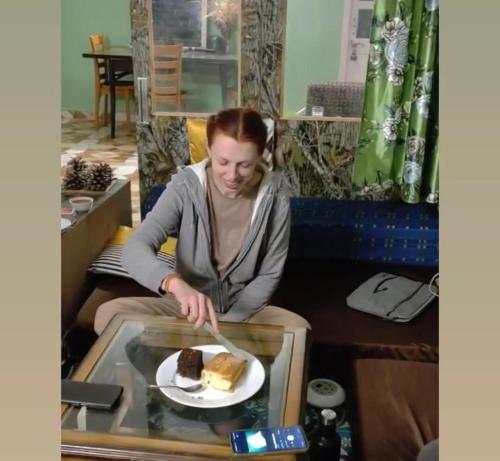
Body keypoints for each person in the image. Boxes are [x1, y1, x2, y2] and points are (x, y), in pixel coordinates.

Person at [94, 108, 310, 335]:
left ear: (260, 155)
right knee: (109, 314)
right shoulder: (184, 186)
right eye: (223, 162)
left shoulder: (276, 197)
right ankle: (199, 344)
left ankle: (190, 343)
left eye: (245, 165)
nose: (232, 175)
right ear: (208, 149)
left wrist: (226, 326)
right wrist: (173, 283)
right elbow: (136, 246)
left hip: (244, 314)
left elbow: (269, 274)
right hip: (185, 309)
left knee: (299, 329)